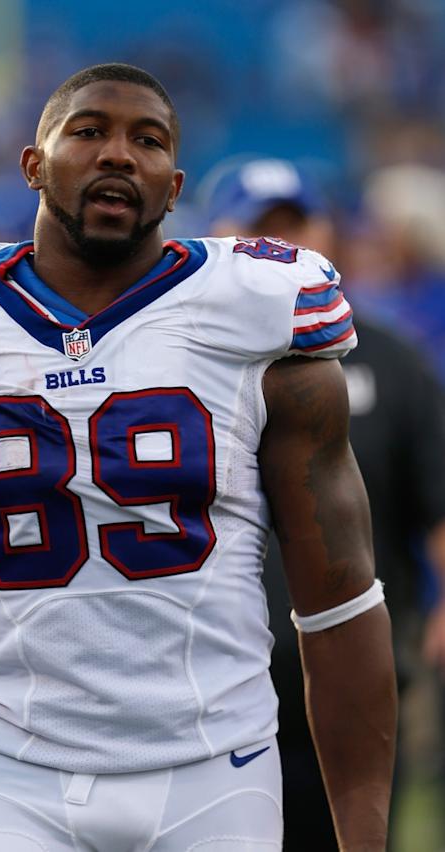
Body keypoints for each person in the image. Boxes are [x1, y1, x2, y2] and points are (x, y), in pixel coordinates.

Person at [0, 64, 396, 852]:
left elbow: (337, 604)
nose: (119, 155)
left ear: (174, 186)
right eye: (89, 131)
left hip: (214, 766)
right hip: (8, 769)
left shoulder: (257, 314)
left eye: (149, 140)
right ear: (33, 164)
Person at [203, 155, 445, 850]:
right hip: (214, 677)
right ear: (216, 237)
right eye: (259, 232)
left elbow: (437, 495)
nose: (283, 249)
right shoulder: (179, 357)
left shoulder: (392, 358)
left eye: (296, 227)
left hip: (356, 668)